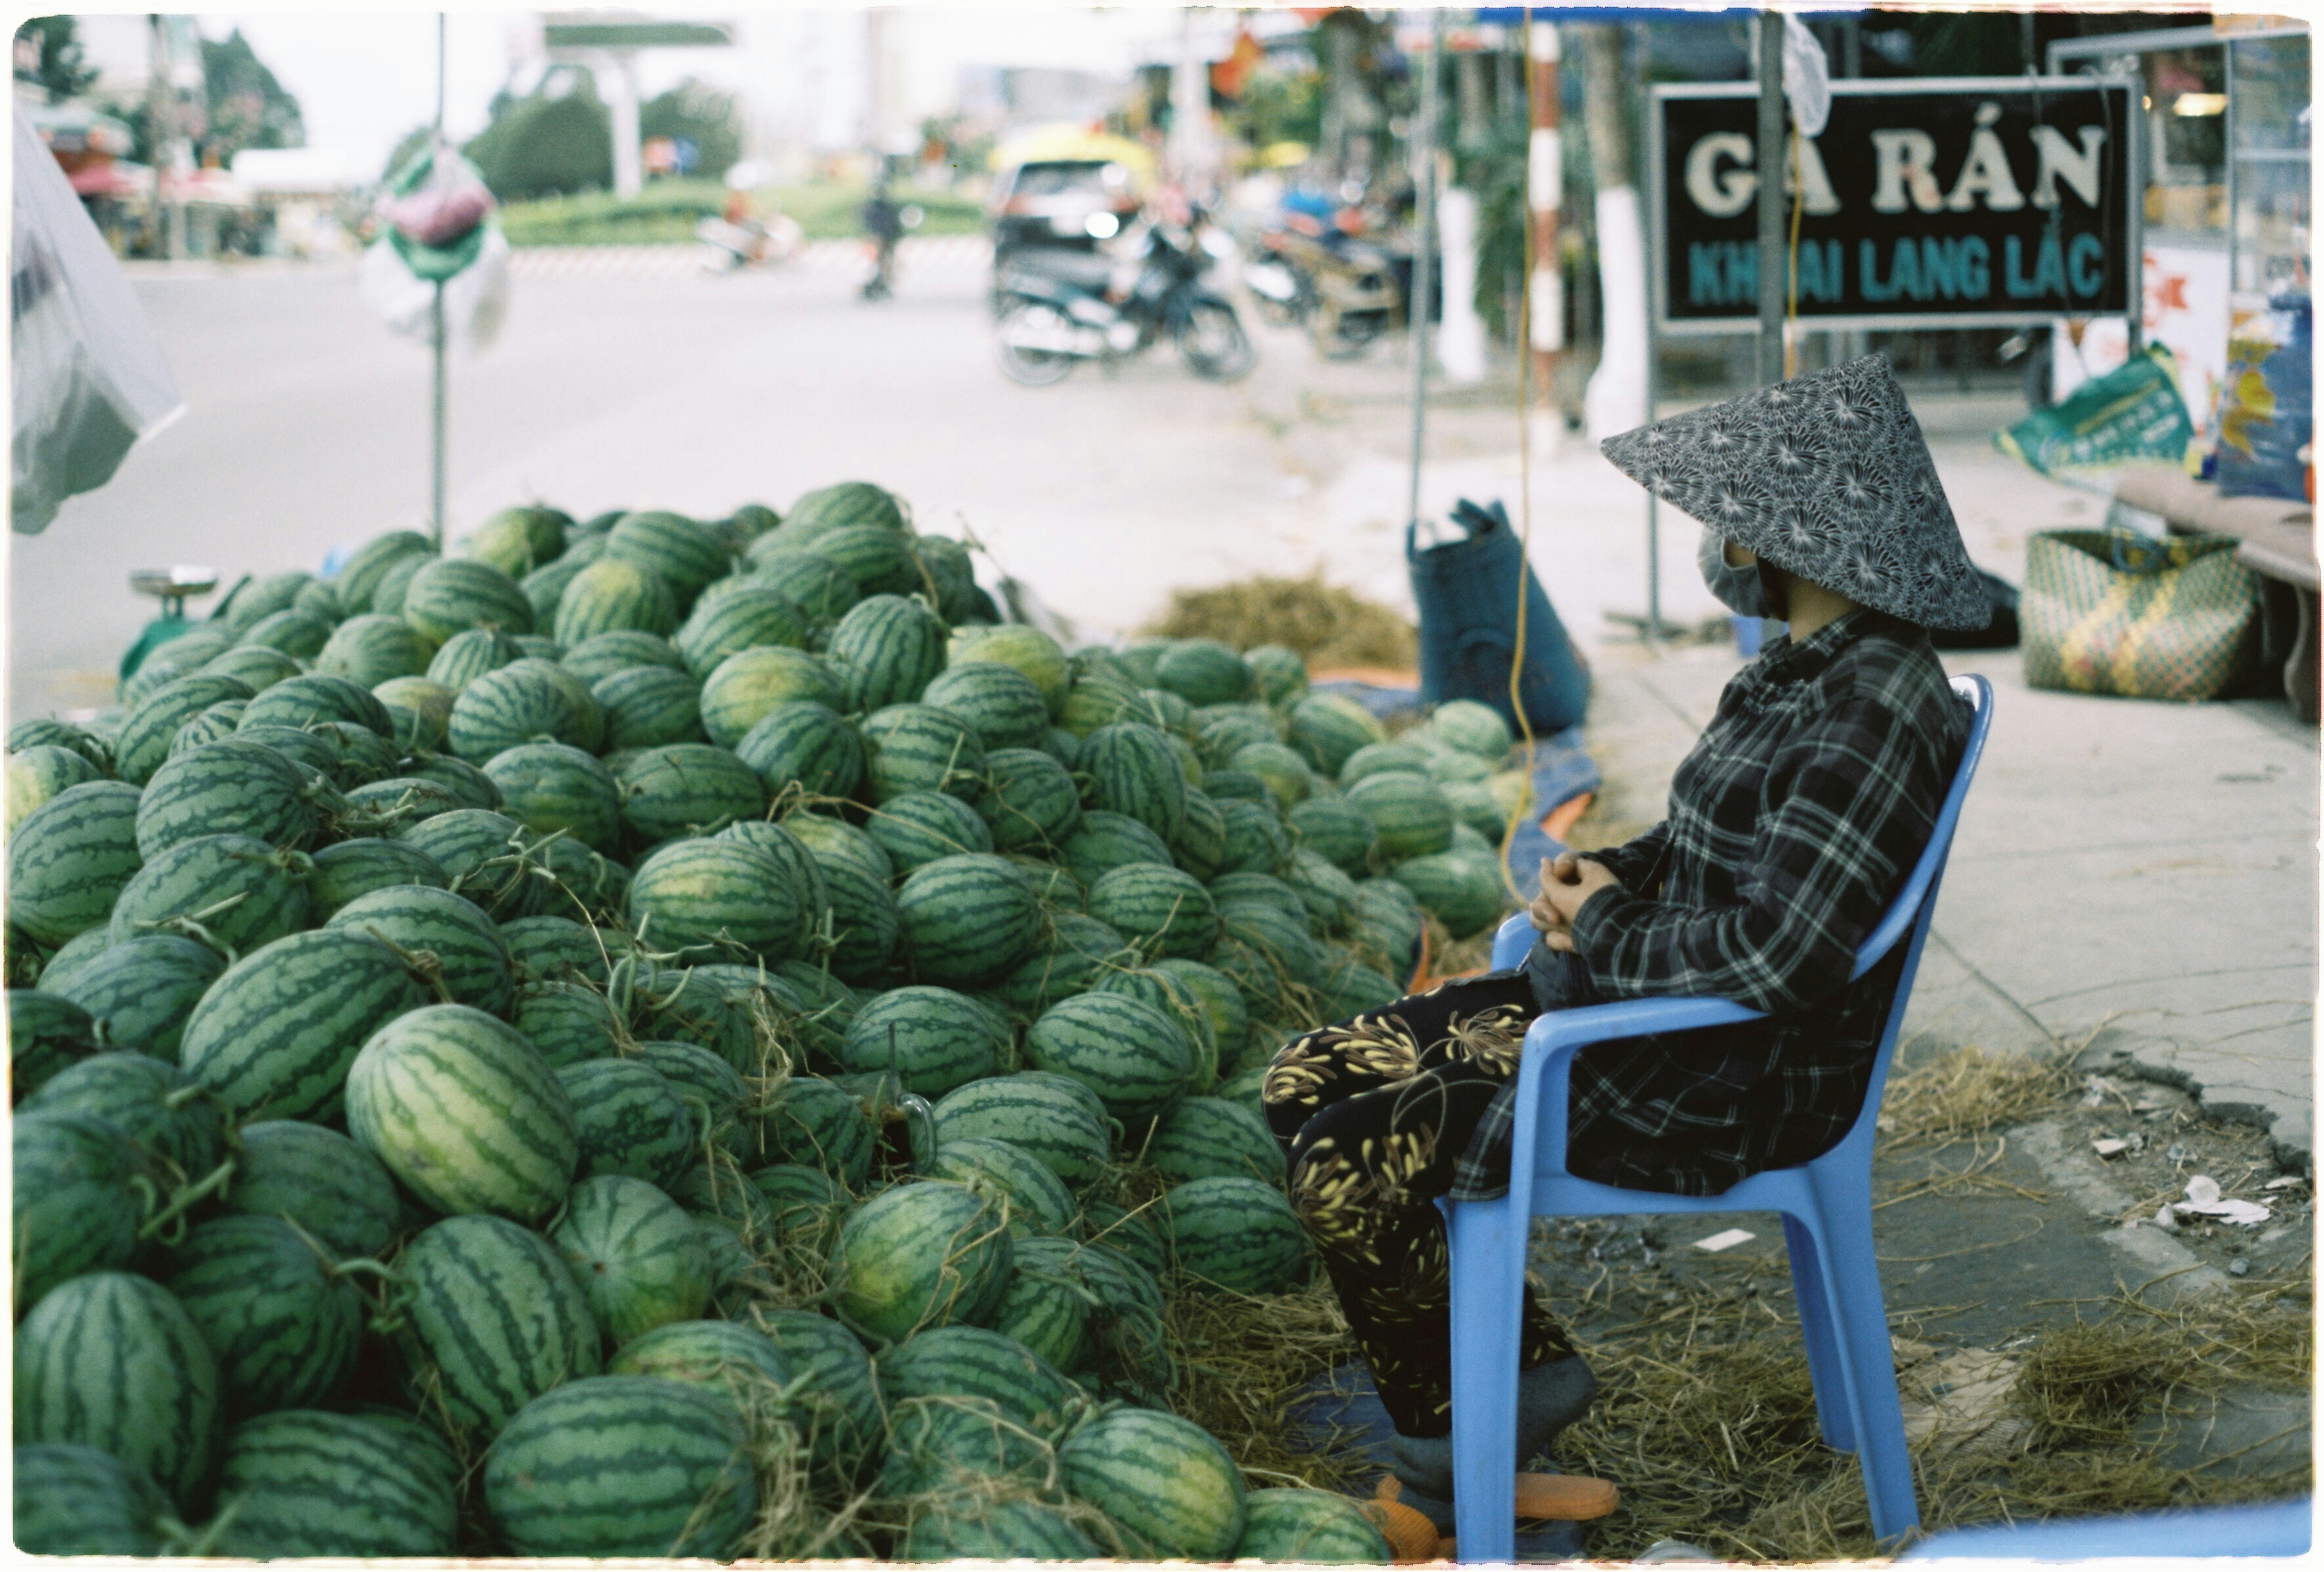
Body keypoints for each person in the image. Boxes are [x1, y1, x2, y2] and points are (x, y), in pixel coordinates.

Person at [1261, 354, 1989, 1533]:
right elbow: (1706, 844)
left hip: (1713, 1080)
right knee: (1302, 1079)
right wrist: (1604, 874)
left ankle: (1463, 1448)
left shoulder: (1867, 708)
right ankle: (1507, 1386)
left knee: (1343, 1164)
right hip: (1639, 1028)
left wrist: (1600, 923)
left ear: (1781, 536)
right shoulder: (1801, 671)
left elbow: (1774, 958)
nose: (1714, 543)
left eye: (1728, 522)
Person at [861, 176, 903, 301]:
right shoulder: (876, 208)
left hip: (885, 238)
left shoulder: (882, 208)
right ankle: (878, 284)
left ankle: (883, 284)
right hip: (880, 238)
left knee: (886, 264)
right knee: (879, 263)